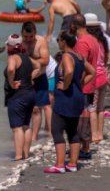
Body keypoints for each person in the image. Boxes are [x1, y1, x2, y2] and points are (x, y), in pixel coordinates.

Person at [44, 30, 94, 173]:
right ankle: (72, 164)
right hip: (77, 96)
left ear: (64, 42)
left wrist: (66, 85)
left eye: (59, 39)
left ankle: (60, 165)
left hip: (66, 97)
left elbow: (69, 71)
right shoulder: (79, 56)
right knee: (72, 130)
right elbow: (92, 72)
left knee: (56, 129)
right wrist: (80, 84)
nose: (58, 42)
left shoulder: (66, 55)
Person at [3, 34, 41, 161]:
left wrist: (11, 82)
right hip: (30, 94)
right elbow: (38, 66)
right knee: (26, 125)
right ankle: (26, 154)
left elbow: (11, 69)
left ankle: (19, 155)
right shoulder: (27, 57)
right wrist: (31, 77)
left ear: (10, 46)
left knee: (17, 128)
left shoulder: (12, 58)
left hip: (18, 96)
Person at [70, 13, 99, 160]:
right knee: (86, 115)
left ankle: (84, 148)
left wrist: (75, 84)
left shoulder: (81, 43)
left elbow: (81, 66)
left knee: (82, 117)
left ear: (74, 26)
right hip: (91, 84)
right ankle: (85, 147)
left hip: (83, 85)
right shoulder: (93, 39)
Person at [21, 22, 52, 141]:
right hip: (24, 78)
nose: (28, 39)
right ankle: (23, 134)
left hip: (39, 77)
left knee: (37, 109)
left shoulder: (41, 41)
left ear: (35, 33)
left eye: (31, 36)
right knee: (24, 108)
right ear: (21, 34)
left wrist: (28, 60)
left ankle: (33, 138)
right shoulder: (19, 42)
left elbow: (45, 60)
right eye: (25, 37)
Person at [84, 13, 109, 143]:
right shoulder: (103, 40)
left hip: (94, 78)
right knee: (100, 108)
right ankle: (100, 134)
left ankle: (93, 135)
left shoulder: (88, 41)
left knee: (92, 108)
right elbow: (105, 60)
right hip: (103, 76)